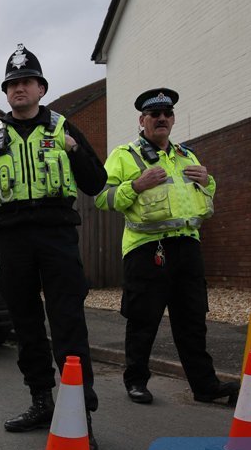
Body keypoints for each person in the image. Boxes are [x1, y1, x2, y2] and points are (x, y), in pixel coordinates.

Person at [0, 44, 106, 450]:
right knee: (25, 324)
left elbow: (96, 183)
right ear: (6, 93)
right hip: (12, 239)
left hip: (56, 235)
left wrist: (75, 150)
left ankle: (80, 415)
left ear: (41, 88)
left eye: (26, 82)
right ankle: (42, 402)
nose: (19, 88)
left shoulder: (63, 128)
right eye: (12, 84)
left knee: (68, 325)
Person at [95, 88, 239, 405]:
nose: (162, 118)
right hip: (147, 249)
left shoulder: (187, 155)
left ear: (172, 120)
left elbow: (205, 193)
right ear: (142, 120)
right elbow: (102, 198)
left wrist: (209, 180)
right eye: (154, 114)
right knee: (143, 320)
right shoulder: (124, 155)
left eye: (167, 114)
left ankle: (205, 386)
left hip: (188, 246)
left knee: (192, 321)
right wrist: (136, 185)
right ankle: (136, 381)